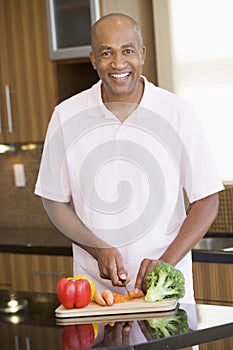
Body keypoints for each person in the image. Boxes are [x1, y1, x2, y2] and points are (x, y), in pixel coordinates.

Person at [35, 13, 224, 303]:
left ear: (142, 54)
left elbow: (207, 199)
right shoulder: (65, 116)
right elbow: (54, 200)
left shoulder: (178, 112)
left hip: (165, 293)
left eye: (128, 51)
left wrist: (167, 262)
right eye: (106, 52)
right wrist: (97, 248)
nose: (118, 63)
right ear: (93, 59)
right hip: (95, 293)